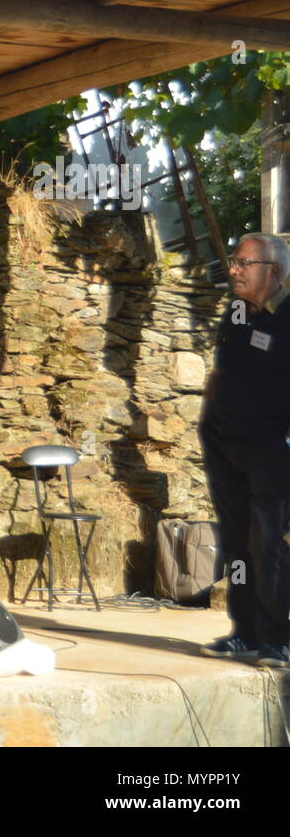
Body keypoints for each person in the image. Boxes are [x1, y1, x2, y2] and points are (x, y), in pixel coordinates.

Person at [198, 232, 290, 667]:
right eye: (232, 262)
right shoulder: (234, 312)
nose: (232, 270)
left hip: (272, 450)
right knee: (236, 545)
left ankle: (277, 638)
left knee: (267, 545)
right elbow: (225, 369)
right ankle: (245, 632)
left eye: (243, 263)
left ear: (272, 271)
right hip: (224, 446)